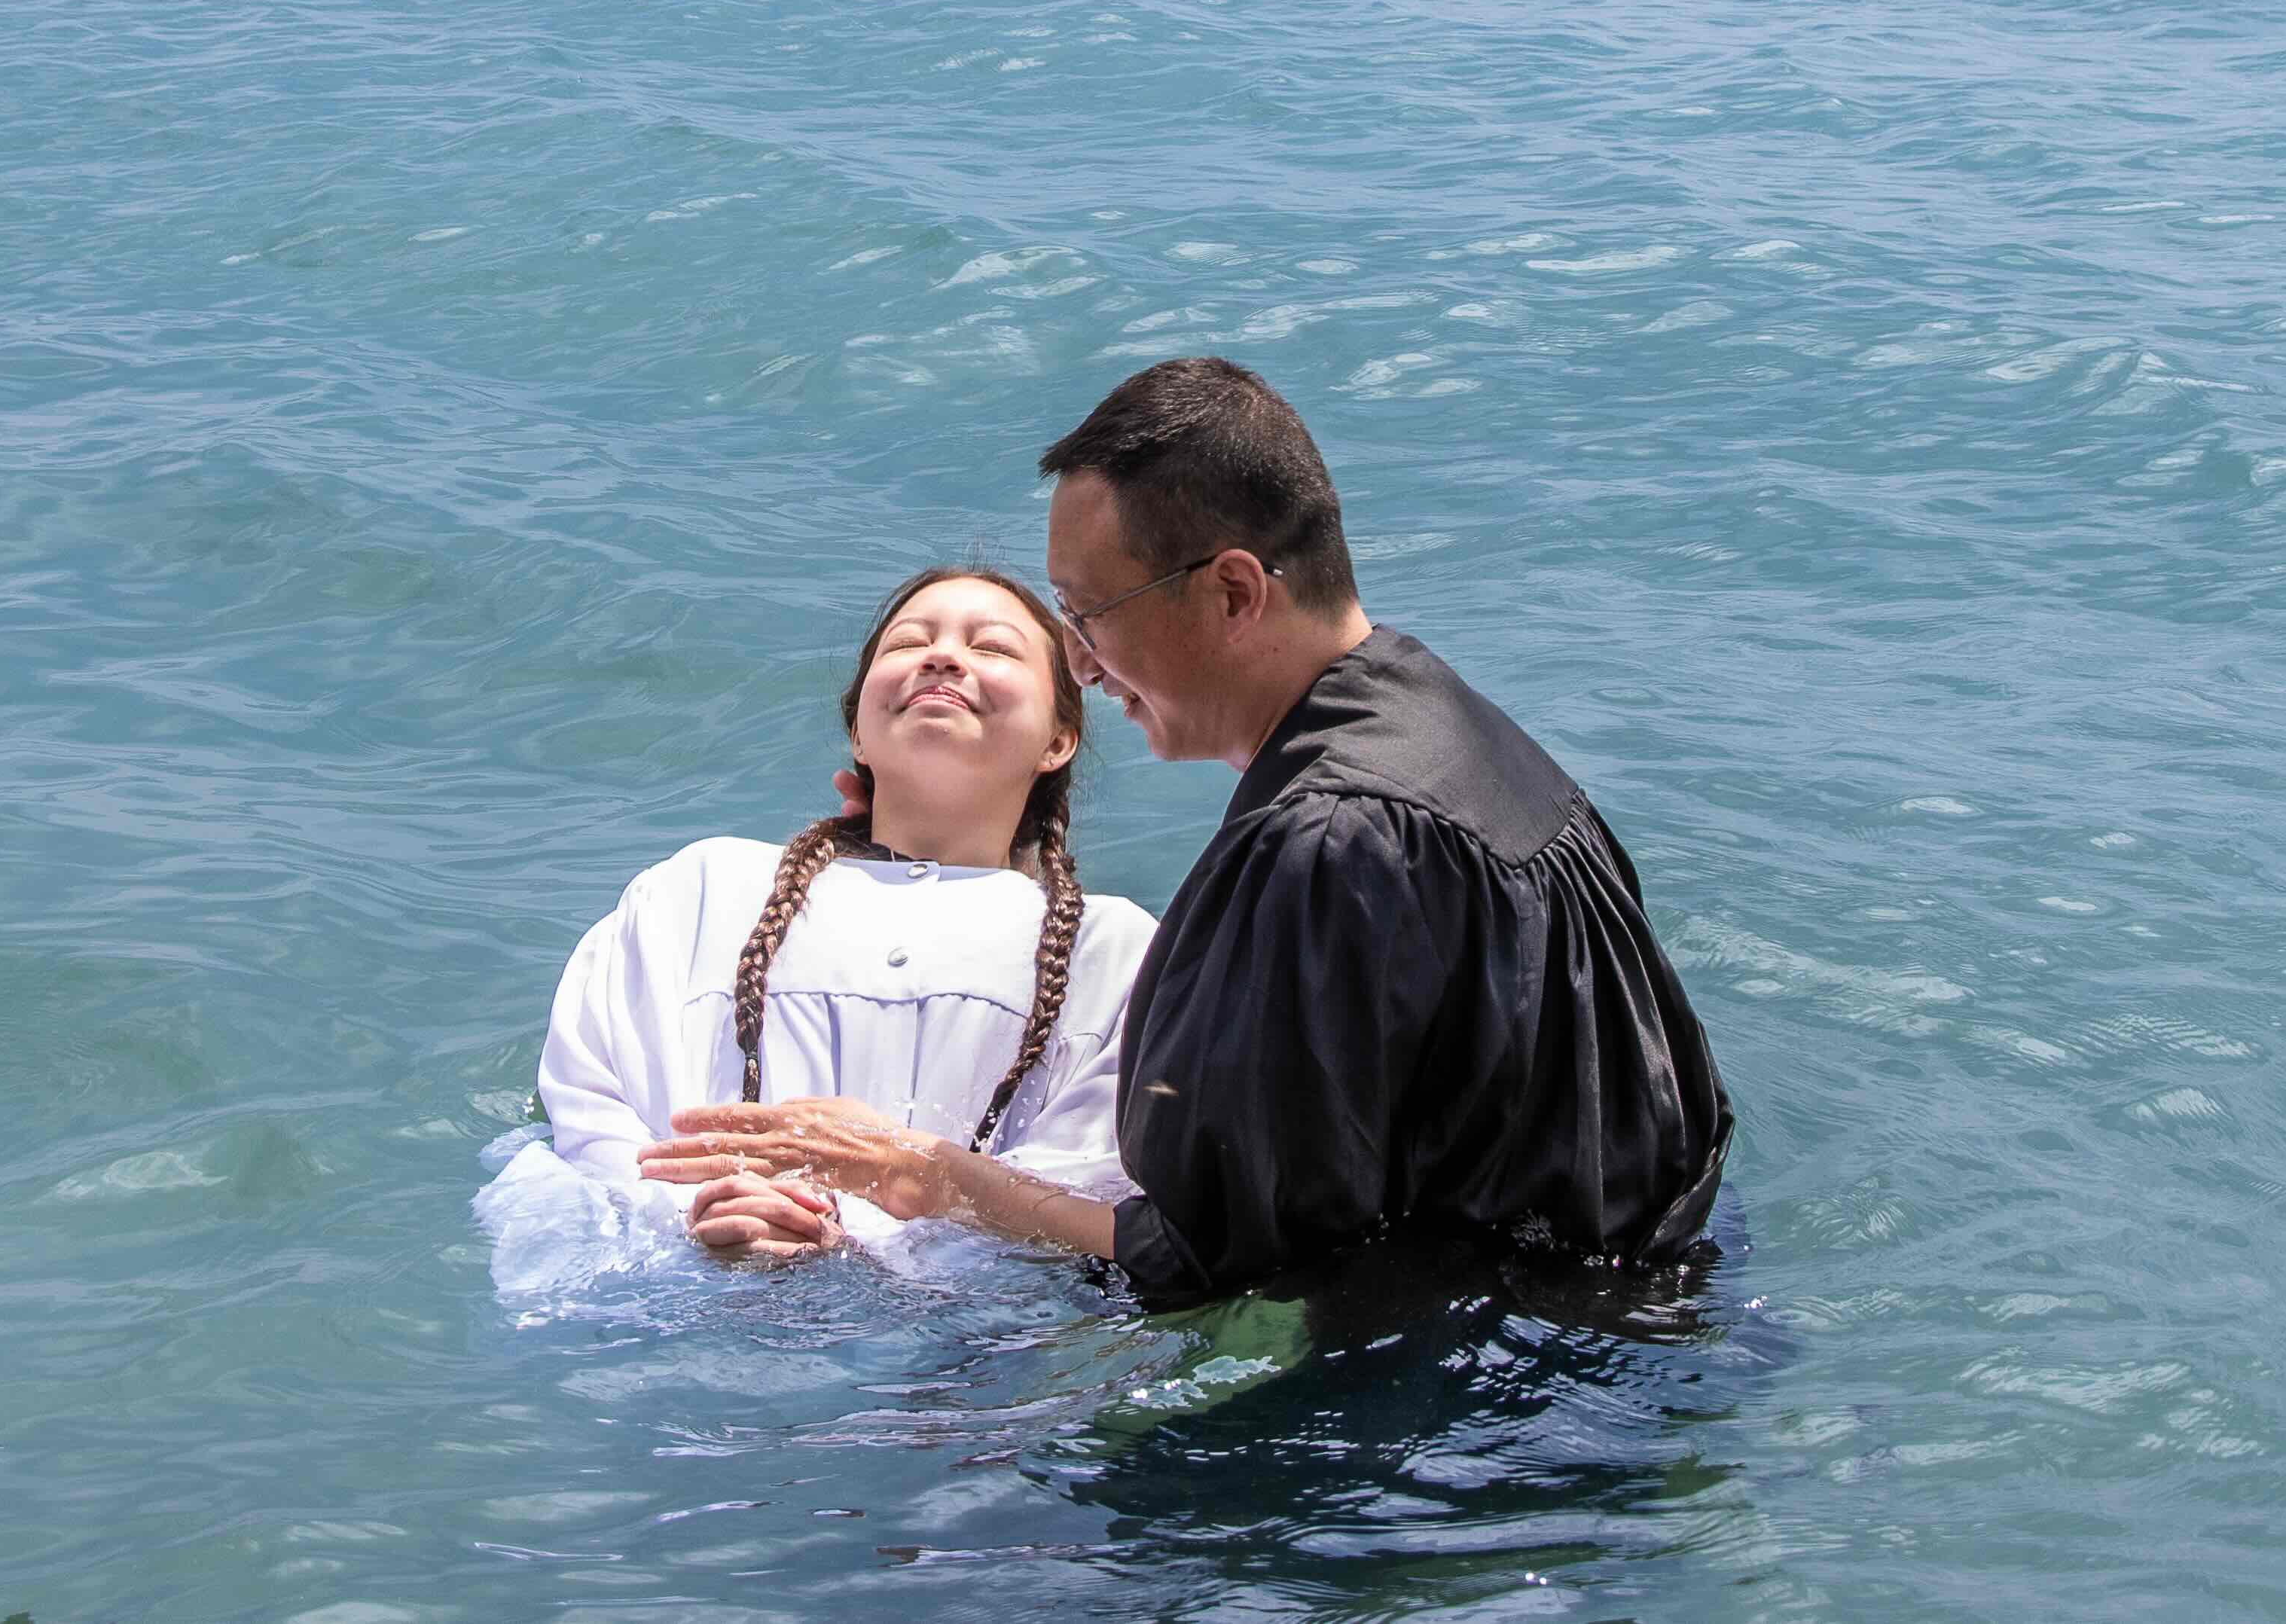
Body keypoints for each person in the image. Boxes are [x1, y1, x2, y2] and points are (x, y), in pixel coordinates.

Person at [642, 357, 1732, 1308]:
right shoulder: (1472, 738)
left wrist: (921, 1174)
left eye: (1089, 614)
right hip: (1638, 1296)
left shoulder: (1325, 843)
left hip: (1498, 1384)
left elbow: (1222, 1261)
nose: (1082, 660)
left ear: (1232, 592)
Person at [546, 566, 1155, 1262]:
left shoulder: (1113, 948)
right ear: (859, 735)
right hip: (686, 1280)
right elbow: (590, 1109)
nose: (943, 656)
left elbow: (1095, 1187)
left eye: (992, 647)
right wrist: (699, 1215)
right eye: (908, 643)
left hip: (950, 1343)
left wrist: (851, 1238)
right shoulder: (701, 890)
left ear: (1058, 740)